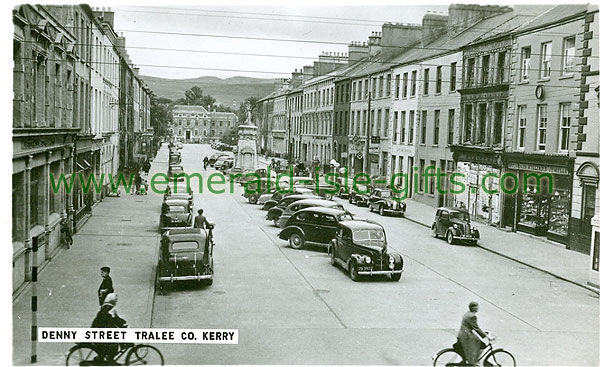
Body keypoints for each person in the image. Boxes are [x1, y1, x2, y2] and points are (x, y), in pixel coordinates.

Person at [91, 293, 127, 363]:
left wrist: (121, 323)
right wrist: (122, 324)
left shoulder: (105, 307)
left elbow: (115, 319)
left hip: (98, 332)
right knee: (114, 344)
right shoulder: (109, 308)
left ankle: (105, 358)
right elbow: (114, 319)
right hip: (100, 335)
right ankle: (109, 360)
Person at [458, 301, 487, 366]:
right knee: (479, 344)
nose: (477, 308)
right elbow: (476, 328)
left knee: (478, 343)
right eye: (476, 307)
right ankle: (473, 361)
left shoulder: (468, 313)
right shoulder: (472, 316)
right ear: (473, 308)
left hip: (463, 333)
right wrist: (486, 336)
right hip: (466, 335)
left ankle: (472, 360)